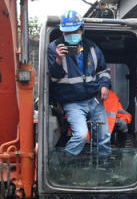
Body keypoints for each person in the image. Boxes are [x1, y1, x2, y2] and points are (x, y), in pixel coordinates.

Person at [47, 10, 112, 156]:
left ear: (82, 30)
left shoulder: (92, 48)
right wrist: (58, 60)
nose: (70, 36)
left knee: (103, 137)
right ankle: (64, 164)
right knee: (81, 135)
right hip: (72, 102)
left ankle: (104, 169)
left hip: (95, 100)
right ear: (62, 33)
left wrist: (104, 86)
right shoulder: (53, 48)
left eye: (74, 31)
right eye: (66, 33)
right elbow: (53, 78)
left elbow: (103, 71)